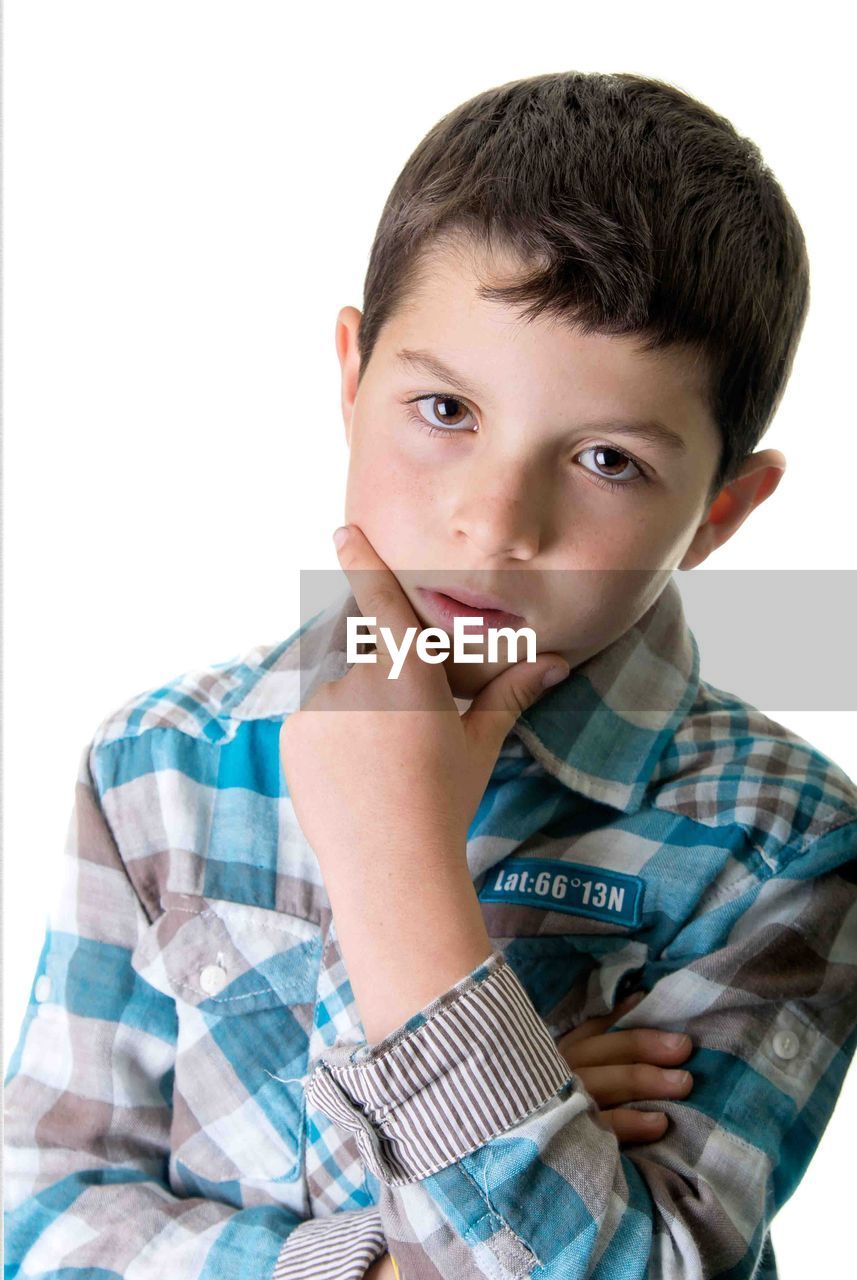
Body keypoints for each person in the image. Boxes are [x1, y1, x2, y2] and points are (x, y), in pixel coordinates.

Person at [4, 70, 856, 1280]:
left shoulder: (777, 842)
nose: (492, 522)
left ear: (718, 511)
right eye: (444, 407)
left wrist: (397, 871)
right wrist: (403, 1248)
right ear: (351, 379)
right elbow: (36, 1216)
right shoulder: (159, 762)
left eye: (608, 458)